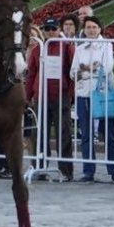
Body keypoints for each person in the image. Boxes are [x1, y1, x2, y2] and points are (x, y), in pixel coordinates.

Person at [25, 18, 75, 180]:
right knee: (38, 133)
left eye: (53, 28)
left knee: (64, 133)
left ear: (59, 29)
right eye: (47, 29)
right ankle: (39, 167)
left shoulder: (67, 47)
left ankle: (66, 170)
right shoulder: (37, 49)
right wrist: (27, 96)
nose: (50, 31)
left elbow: (72, 72)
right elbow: (31, 74)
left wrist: (70, 94)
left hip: (61, 94)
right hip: (41, 95)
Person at [69, 14, 114, 183]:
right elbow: (73, 73)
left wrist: (86, 70)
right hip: (84, 94)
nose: (91, 30)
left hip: (102, 93)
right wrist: (90, 68)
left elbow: (107, 67)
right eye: (88, 27)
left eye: (94, 27)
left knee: (108, 134)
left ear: (100, 29)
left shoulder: (106, 45)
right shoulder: (80, 48)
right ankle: (88, 170)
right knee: (86, 134)